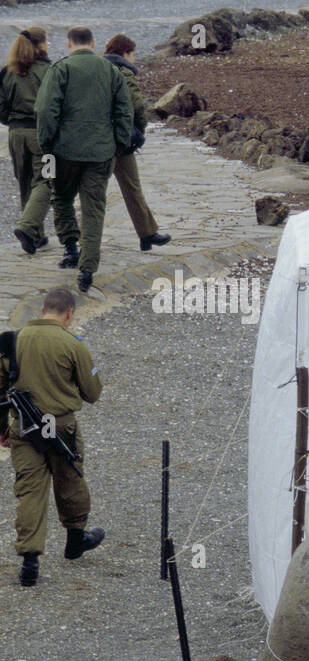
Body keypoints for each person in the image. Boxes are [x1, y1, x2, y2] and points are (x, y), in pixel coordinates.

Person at [0, 287, 105, 588]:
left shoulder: (12, 341)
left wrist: (2, 430)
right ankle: (75, 541)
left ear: (42, 310)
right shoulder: (73, 344)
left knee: (30, 490)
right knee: (70, 479)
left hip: (23, 429)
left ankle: (29, 562)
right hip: (61, 428)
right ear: (69, 314)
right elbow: (93, 393)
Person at [35, 26, 133, 293]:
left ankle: (69, 248)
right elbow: (125, 109)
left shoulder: (60, 69)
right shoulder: (110, 71)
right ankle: (88, 266)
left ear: (69, 44)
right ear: (92, 42)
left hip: (64, 149)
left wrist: (47, 142)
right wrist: (120, 143)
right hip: (101, 151)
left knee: (62, 197)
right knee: (94, 208)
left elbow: (45, 110)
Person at [102, 34, 169, 252]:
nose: (134, 59)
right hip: (121, 141)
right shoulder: (124, 72)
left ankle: (147, 234)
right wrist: (139, 131)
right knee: (132, 188)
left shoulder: (97, 69)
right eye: (133, 54)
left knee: (94, 192)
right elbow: (137, 105)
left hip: (100, 139)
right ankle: (147, 234)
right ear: (125, 53)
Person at [2, 27, 60, 254]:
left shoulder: (7, 72)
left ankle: (35, 235)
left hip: (16, 135)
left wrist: (13, 121)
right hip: (42, 136)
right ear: (41, 44)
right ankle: (27, 228)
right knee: (47, 181)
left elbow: (2, 109)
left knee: (25, 182)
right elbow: (56, 106)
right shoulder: (48, 70)